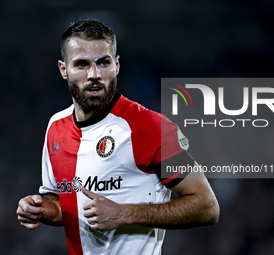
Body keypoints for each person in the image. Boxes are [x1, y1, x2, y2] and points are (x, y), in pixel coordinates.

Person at [16, 19, 219, 255]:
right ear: (63, 69)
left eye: (103, 63)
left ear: (117, 65)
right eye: (82, 64)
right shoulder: (55, 127)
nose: (94, 74)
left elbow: (206, 206)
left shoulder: (149, 126)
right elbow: (64, 204)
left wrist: (123, 214)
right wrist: (41, 209)